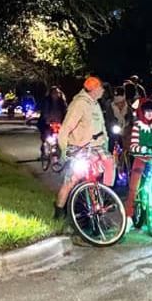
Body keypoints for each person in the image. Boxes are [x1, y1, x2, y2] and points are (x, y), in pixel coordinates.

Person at [55, 77, 115, 219]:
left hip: (95, 146)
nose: (102, 91)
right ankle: (58, 210)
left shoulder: (95, 104)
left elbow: (101, 126)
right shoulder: (80, 104)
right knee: (72, 179)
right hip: (79, 147)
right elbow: (66, 127)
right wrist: (64, 150)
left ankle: (105, 199)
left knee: (107, 165)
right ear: (94, 90)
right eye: (100, 88)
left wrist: (105, 140)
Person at [124, 98, 152, 222]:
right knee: (134, 186)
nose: (150, 114)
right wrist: (143, 149)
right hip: (141, 158)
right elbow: (133, 144)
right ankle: (129, 216)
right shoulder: (138, 125)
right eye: (147, 111)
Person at [36, 86, 67, 157]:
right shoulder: (47, 101)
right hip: (48, 121)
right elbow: (45, 111)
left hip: (58, 121)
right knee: (46, 135)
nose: (55, 94)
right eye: (53, 93)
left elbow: (65, 111)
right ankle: (44, 149)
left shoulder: (61, 102)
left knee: (59, 136)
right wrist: (47, 119)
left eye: (56, 93)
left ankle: (57, 149)